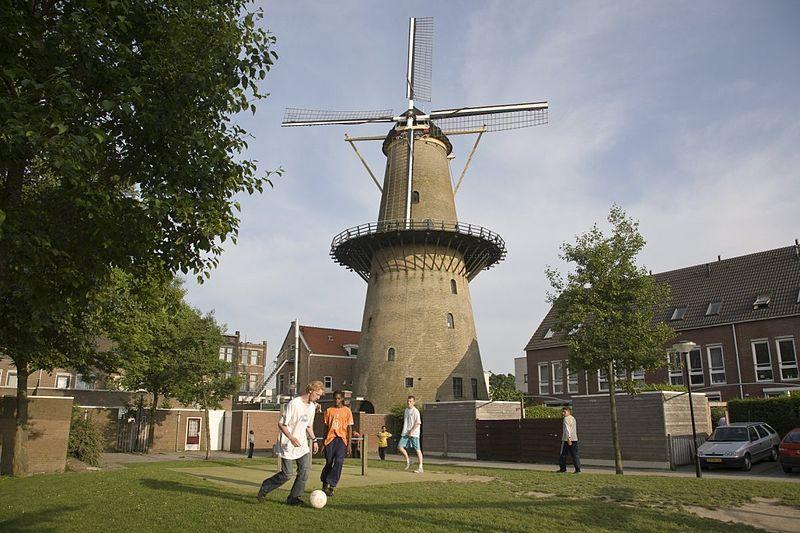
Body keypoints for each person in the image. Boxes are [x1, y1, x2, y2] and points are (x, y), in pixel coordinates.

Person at [257, 381, 323, 506]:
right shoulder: (294, 404)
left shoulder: (312, 407)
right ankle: (265, 487)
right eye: (317, 394)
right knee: (287, 474)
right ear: (310, 391)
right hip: (287, 443)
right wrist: (291, 437)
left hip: (302, 444)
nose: (318, 398)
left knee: (305, 471)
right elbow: (281, 424)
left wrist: (314, 440)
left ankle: (293, 498)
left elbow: (308, 426)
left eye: (320, 395)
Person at [320, 390, 353, 497]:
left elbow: (349, 428)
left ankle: (332, 485)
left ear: (342, 399)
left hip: (341, 440)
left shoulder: (347, 411)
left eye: (339, 398)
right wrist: (323, 442)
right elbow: (325, 427)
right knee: (329, 462)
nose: (336, 400)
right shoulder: (329, 411)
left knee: (339, 461)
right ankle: (324, 482)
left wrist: (348, 444)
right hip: (330, 439)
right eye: (335, 398)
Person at [397, 395, 423, 474]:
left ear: (414, 402)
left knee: (417, 449)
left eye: (410, 401)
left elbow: (418, 423)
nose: (409, 403)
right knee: (400, 446)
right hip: (405, 433)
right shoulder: (406, 410)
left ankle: (420, 467)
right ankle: (409, 461)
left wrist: (411, 431)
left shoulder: (416, 411)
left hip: (414, 434)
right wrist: (406, 431)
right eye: (408, 401)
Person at [558, 406, 581, 473]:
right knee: (575, 455)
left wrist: (568, 438)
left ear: (568, 411)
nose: (563, 413)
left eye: (564, 412)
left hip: (566, 440)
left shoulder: (566, 419)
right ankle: (578, 469)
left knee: (563, 454)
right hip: (575, 439)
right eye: (562, 412)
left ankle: (563, 469)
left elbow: (567, 429)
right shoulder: (573, 418)